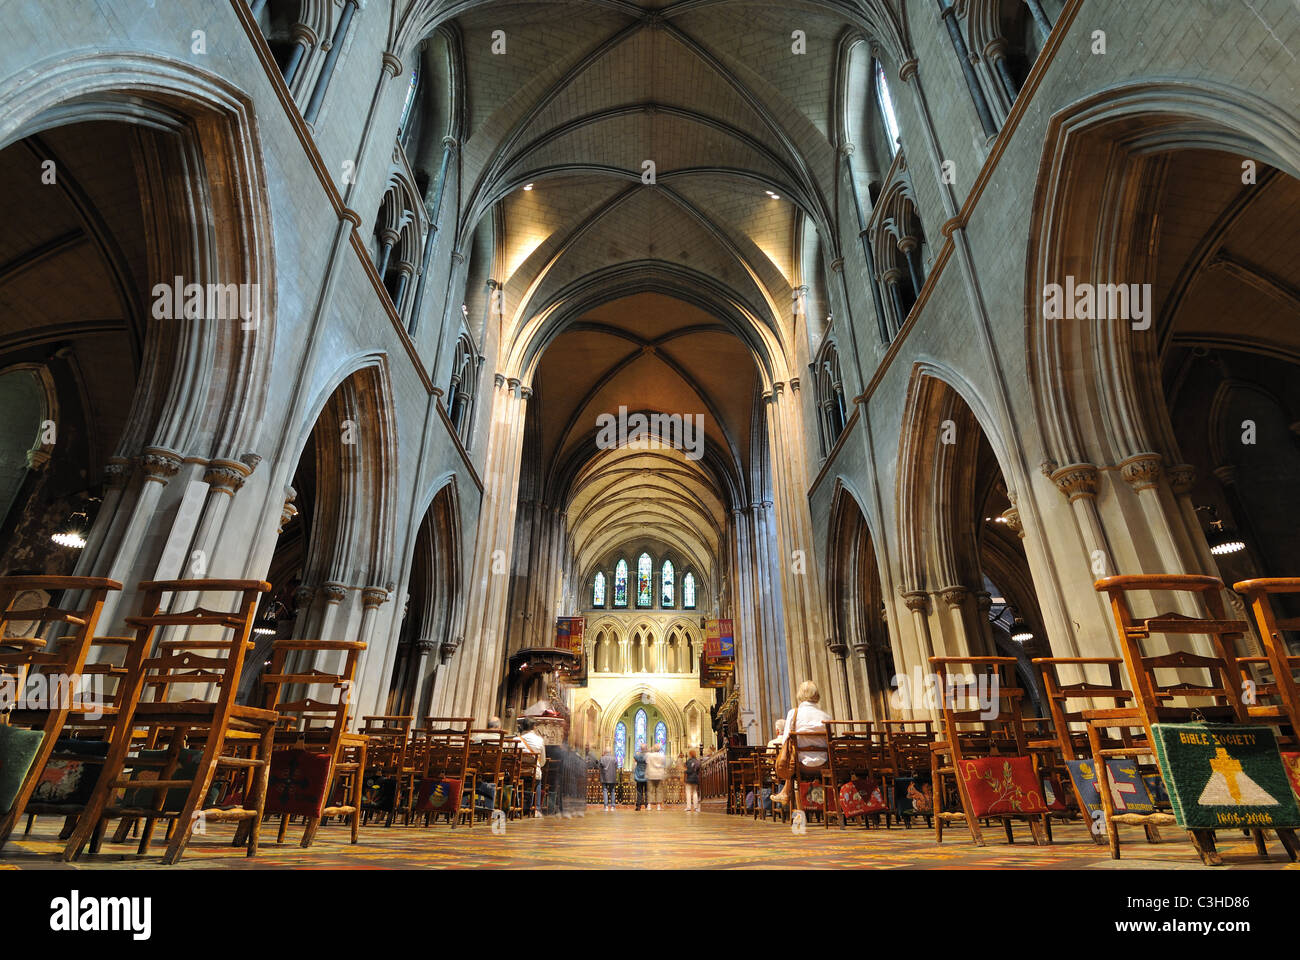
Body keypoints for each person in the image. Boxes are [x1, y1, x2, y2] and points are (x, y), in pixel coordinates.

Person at [770, 680, 832, 807]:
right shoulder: (826, 716)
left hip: (800, 764)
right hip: (824, 763)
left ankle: (793, 801)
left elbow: (785, 739)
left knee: (792, 763)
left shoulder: (793, 713)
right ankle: (824, 803)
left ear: (800, 695)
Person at [516, 717, 547, 817]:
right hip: (533, 773)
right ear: (534, 727)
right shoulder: (539, 740)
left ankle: (515, 807)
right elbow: (542, 761)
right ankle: (536, 809)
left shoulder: (516, 740)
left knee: (514, 781)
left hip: (517, 772)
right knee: (537, 782)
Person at [473, 716, 503, 810]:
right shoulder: (503, 740)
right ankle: (497, 805)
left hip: (476, 771)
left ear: (487, 726)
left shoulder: (476, 738)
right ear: (498, 727)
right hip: (494, 771)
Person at [645, 742, 668, 810]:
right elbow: (664, 763)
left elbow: (647, 762)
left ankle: (649, 805)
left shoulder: (649, 755)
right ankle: (658, 806)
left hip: (651, 774)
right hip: (659, 774)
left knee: (650, 790)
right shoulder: (662, 755)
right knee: (659, 790)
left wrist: (650, 749)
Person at [599, 745, 619, 811]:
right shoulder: (614, 758)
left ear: (605, 751)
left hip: (604, 777)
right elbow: (616, 767)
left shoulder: (602, 758)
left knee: (605, 790)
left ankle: (606, 806)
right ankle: (613, 806)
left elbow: (599, 767)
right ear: (610, 751)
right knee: (612, 791)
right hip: (612, 777)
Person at [683, 748, 701, 813]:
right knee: (695, 792)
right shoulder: (697, 761)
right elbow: (698, 770)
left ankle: (688, 807)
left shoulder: (689, 761)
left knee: (688, 793)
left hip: (689, 779)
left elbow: (689, 770)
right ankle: (696, 807)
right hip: (696, 778)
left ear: (690, 755)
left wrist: (685, 771)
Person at [633, 746, 648, 810]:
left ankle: (638, 806)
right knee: (646, 791)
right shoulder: (647, 756)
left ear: (641, 749)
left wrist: (638, 752)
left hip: (639, 776)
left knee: (639, 791)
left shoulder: (638, 756)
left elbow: (634, 756)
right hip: (646, 776)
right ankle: (647, 805)